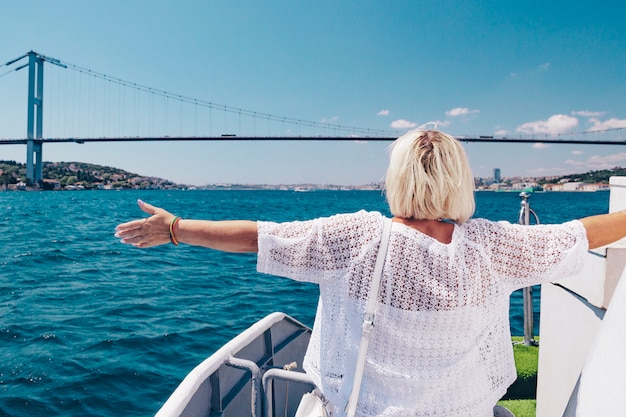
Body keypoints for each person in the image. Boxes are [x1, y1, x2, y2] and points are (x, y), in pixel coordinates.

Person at [115, 130, 626, 417]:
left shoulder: (355, 239)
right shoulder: (496, 245)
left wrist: (177, 228)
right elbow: (580, 233)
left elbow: (260, 235)